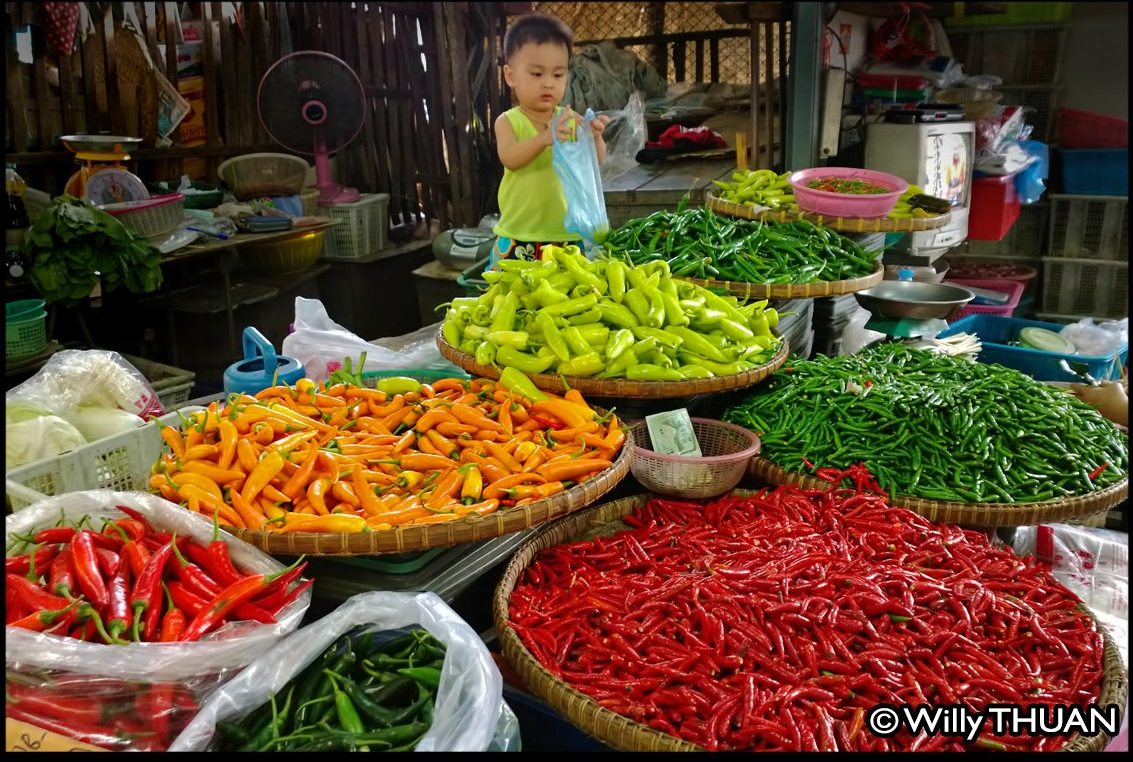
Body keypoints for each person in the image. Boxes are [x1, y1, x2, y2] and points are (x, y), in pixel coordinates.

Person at [491, 14, 610, 264]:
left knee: (567, 299)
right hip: (520, 236)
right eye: (536, 74)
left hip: (566, 235)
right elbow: (510, 158)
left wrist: (594, 138)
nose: (548, 83)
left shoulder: (570, 120)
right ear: (511, 76)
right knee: (514, 298)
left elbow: (595, 163)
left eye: (558, 75)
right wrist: (545, 137)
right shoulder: (508, 121)